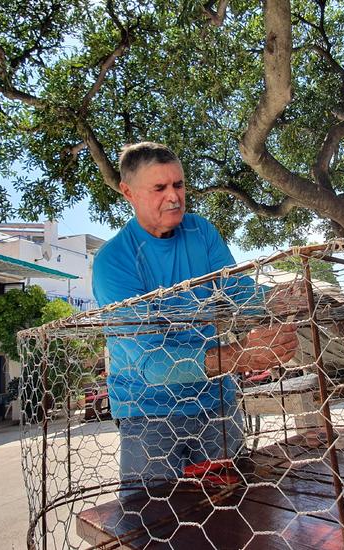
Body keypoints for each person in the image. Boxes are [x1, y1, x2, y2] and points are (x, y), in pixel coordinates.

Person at [92, 142, 299, 490]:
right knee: (154, 518)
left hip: (216, 402)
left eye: (179, 185)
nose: (174, 197)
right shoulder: (113, 262)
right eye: (159, 188)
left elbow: (236, 293)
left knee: (233, 506)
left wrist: (276, 300)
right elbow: (152, 365)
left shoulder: (200, 232)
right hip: (147, 412)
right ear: (128, 192)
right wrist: (243, 356)